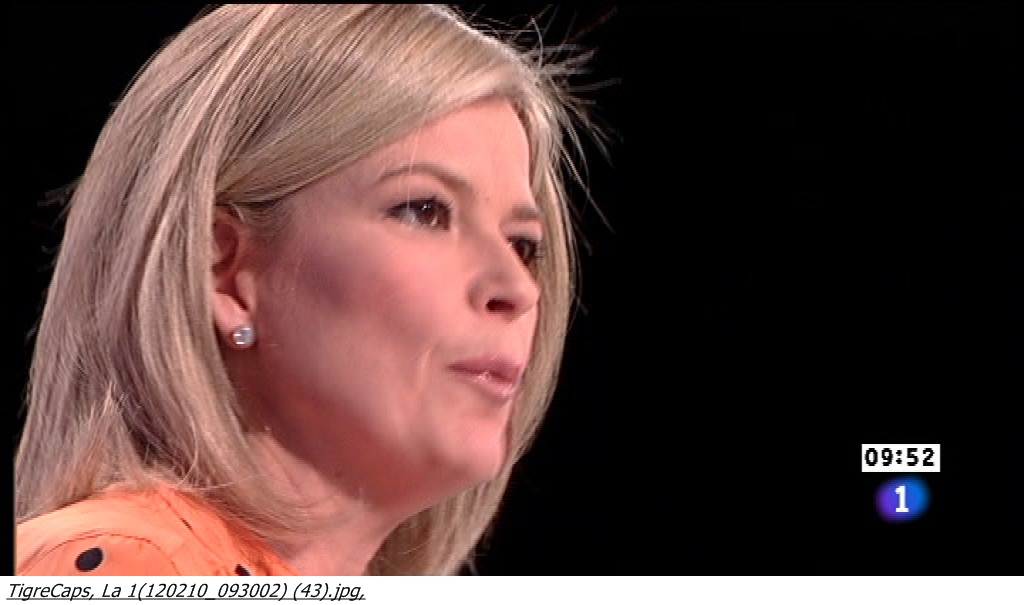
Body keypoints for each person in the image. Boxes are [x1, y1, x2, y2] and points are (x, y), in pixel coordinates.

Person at [15, 4, 602, 575]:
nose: (517, 289)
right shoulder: (133, 566)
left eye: (524, 245)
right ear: (224, 271)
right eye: (424, 210)